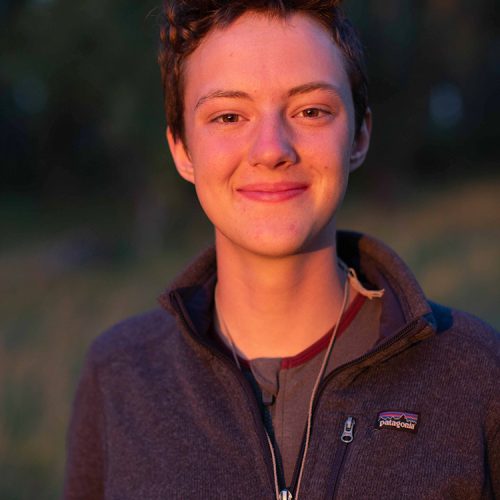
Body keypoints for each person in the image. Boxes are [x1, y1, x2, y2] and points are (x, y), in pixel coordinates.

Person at [63, 1, 500, 499]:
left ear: (359, 135)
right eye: (229, 116)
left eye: (311, 111)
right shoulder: (119, 375)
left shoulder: (477, 372)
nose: (271, 148)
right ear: (182, 149)